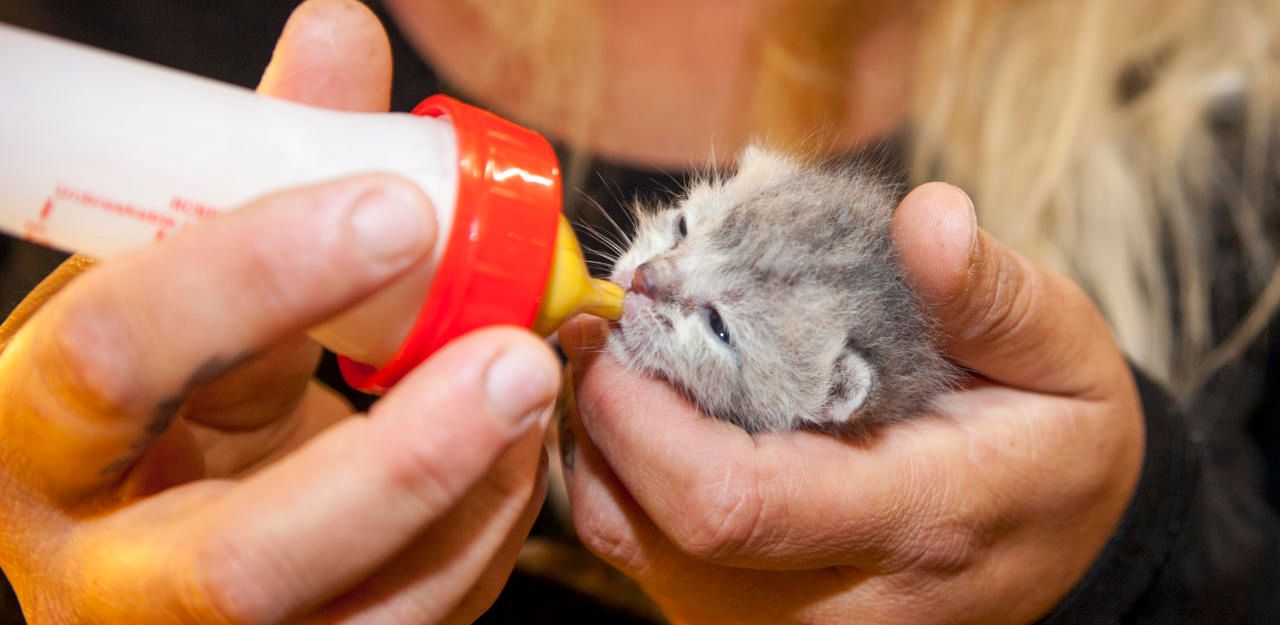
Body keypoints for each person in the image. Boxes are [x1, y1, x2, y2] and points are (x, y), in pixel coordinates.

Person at [0, 1, 1276, 624]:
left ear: (834, 399)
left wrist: (1126, 544)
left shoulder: (1222, 121)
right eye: (677, 228)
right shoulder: (123, 22)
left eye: (714, 328)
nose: (646, 280)